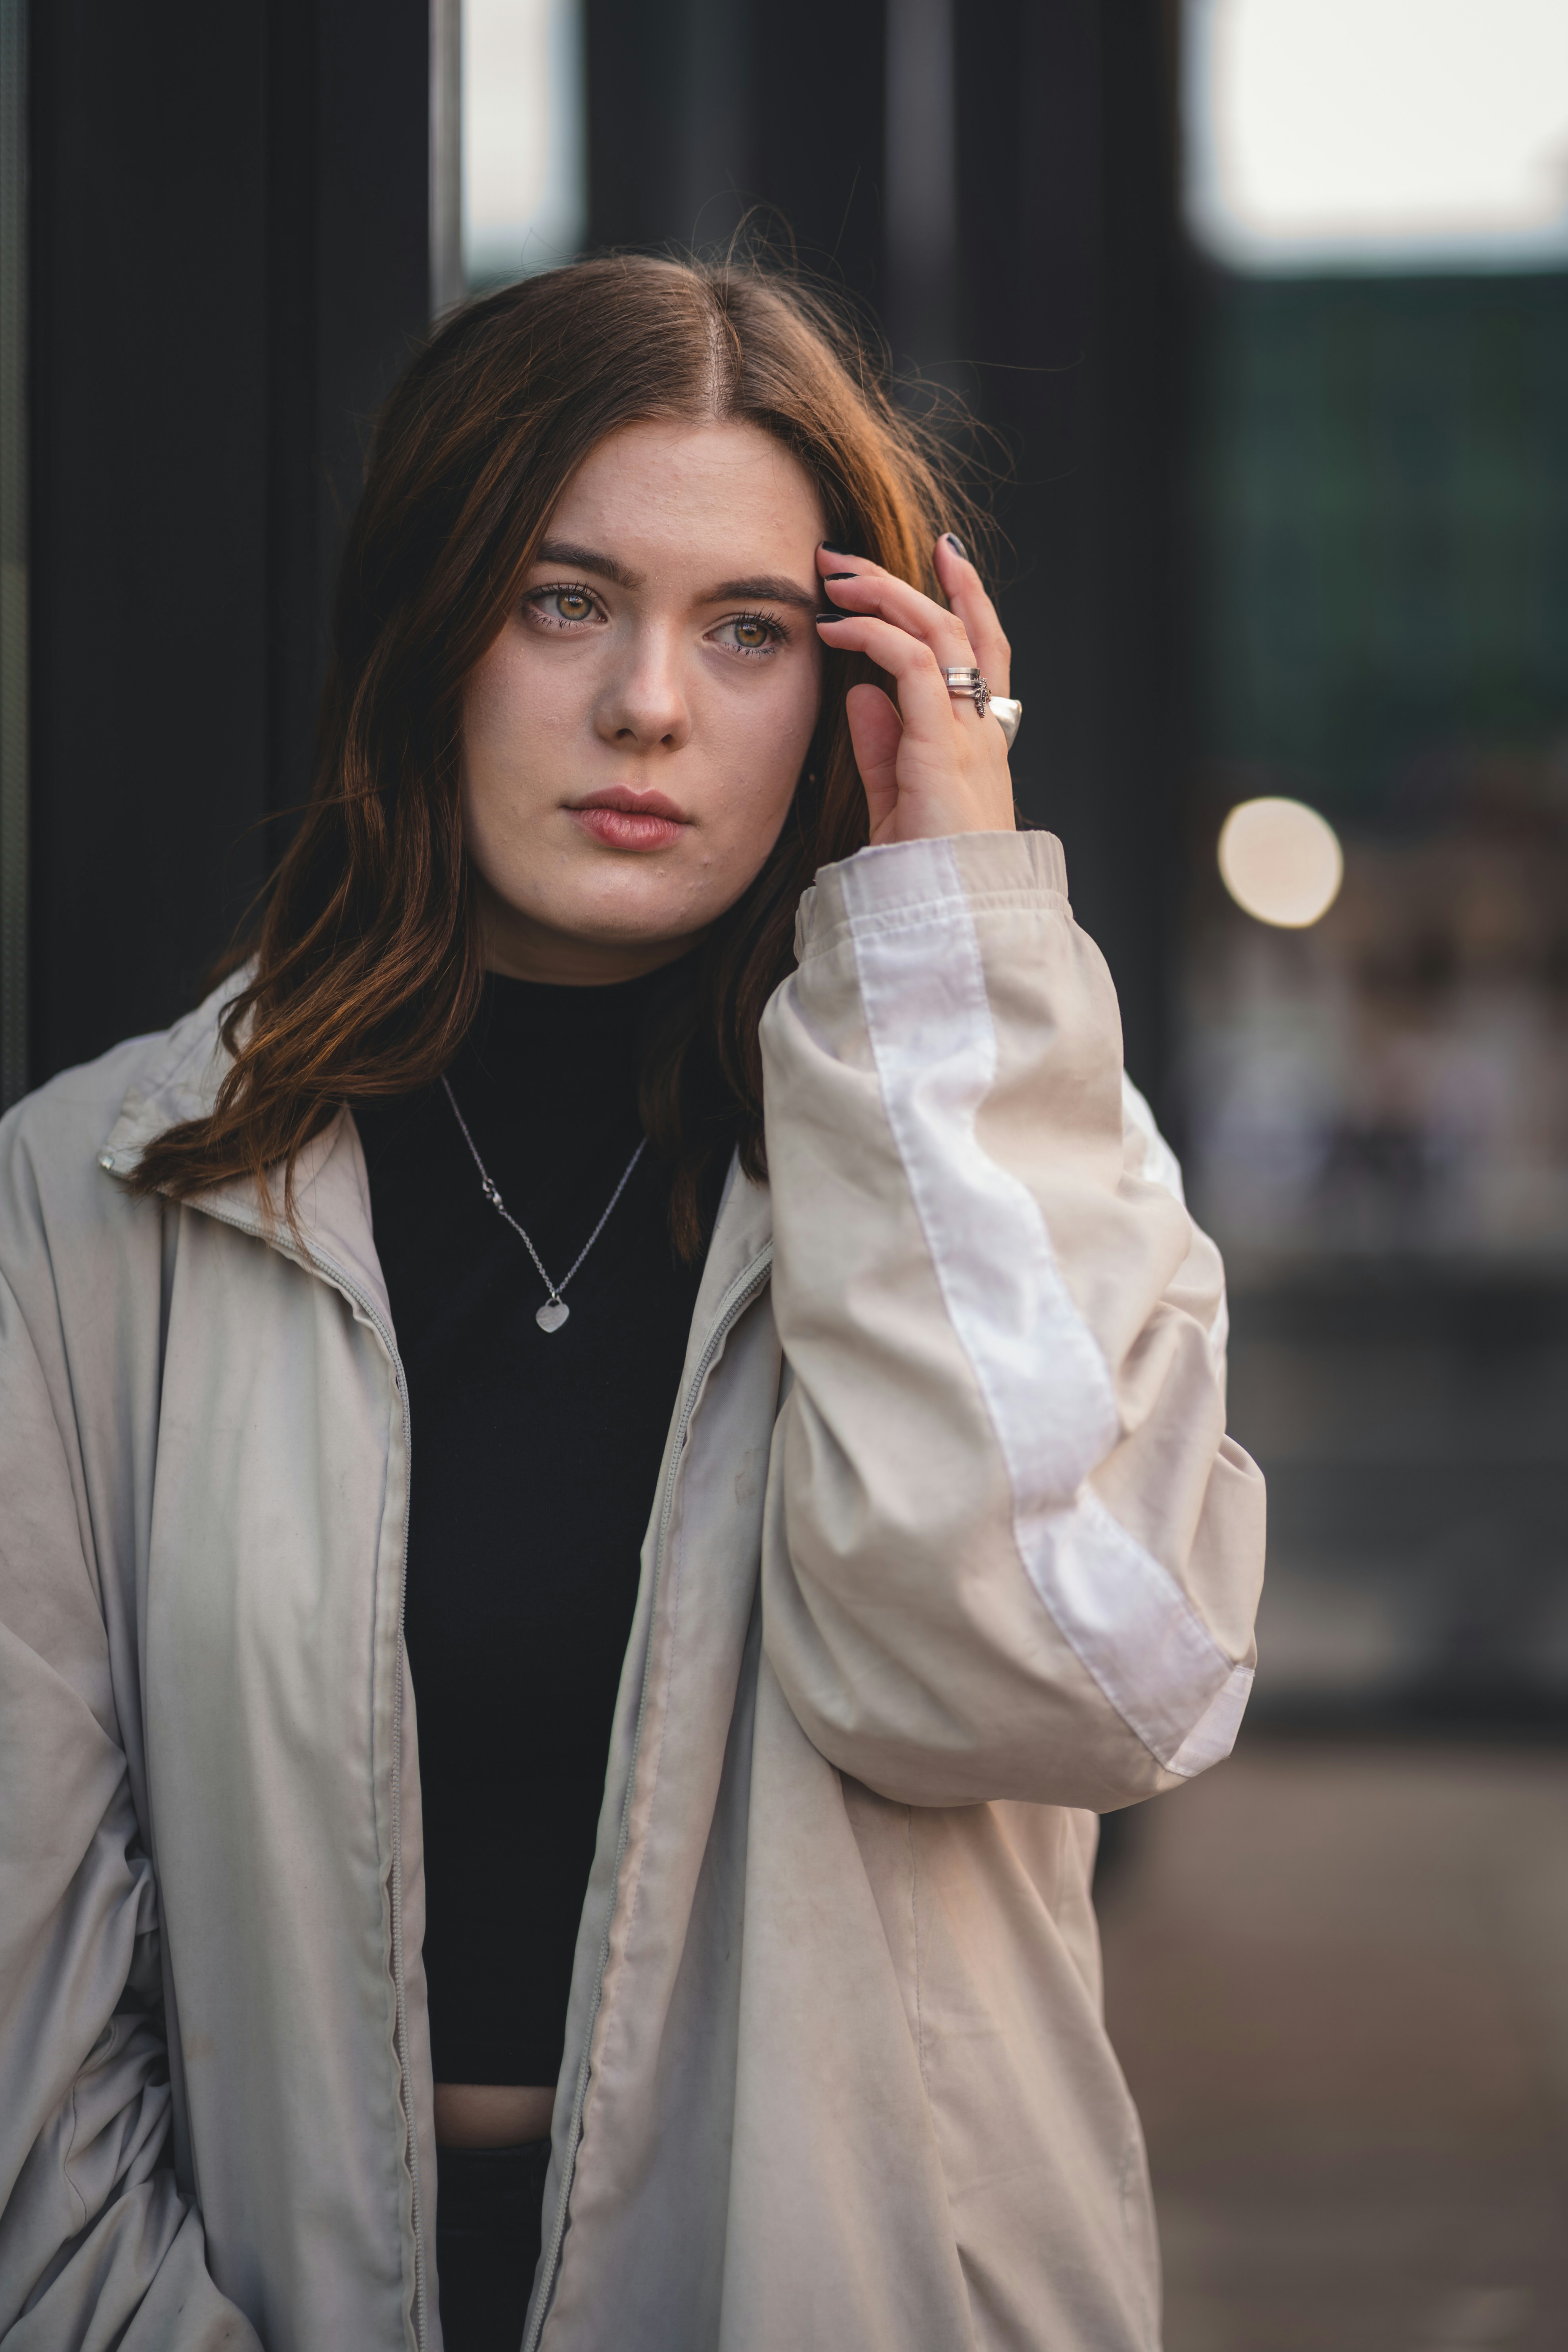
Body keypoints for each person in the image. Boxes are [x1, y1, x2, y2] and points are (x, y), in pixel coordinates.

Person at [0, 255, 1265, 2352]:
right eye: (562, 601)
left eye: (749, 629)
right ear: (432, 637)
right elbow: (29, 2007)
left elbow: (1066, 1689)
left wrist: (946, 931)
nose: (650, 707)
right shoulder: (97, 1200)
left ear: (854, 688)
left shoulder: (983, 1139)